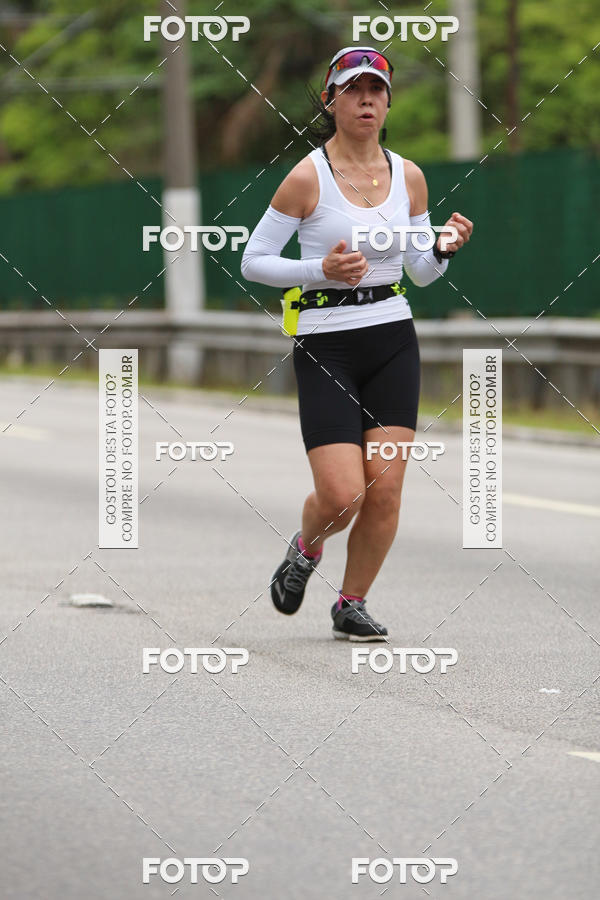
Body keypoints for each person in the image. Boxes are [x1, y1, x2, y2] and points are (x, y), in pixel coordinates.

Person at [241, 47, 473, 641]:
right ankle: (305, 549)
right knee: (343, 496)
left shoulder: (409, 176)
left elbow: (420, 272)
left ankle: (352, 602)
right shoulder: (307, 176)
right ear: (332, 100)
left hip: (393, 336)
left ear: (388, 101)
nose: (366, 99)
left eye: (376, 90)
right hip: (327, 343)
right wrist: (320, 269)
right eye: (353, 90)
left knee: (387, 487)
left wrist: (442, 249)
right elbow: (254, 262)